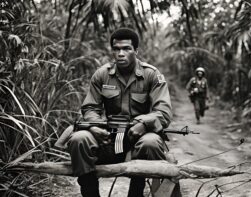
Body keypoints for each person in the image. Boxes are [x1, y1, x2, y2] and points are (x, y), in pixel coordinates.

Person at [56, 28, 172, 197]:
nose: (120, 54)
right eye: (116, 49)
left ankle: (136, 191)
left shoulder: (151, 75)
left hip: (138, 139)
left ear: (136, 51)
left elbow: (163, 111)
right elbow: (90, 108)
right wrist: (94, 127)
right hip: (108, 138)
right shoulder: (102, 75)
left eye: (126, 49)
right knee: (79, 139)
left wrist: (144, 124)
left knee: (151, 143)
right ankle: (90, 192)